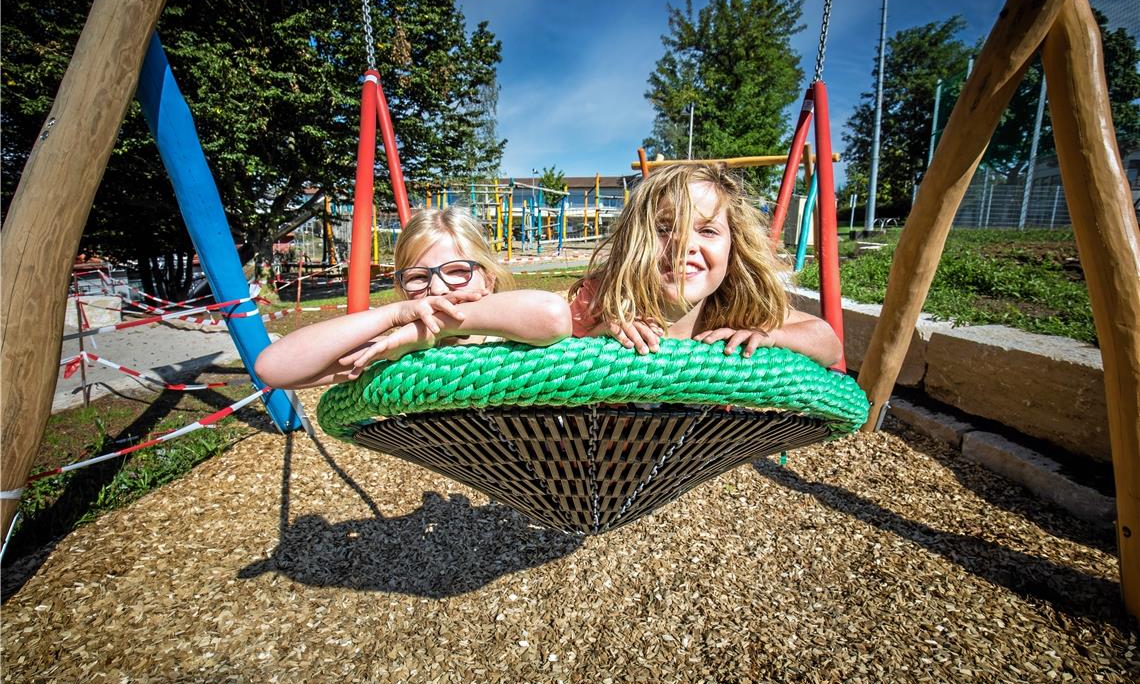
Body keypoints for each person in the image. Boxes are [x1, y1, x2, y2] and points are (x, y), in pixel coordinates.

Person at [255, 207, 572, 389]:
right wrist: (391, 316)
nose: (437, 289)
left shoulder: (509, 332)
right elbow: (274, 368)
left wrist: (442, 326)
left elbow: (551, 315)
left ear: (487, 279)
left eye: (457, 270)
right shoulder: (402, 347)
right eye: (419, 277)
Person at [568, 163, 843, 368]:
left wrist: (771, 336)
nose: (684, 245)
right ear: (633, 240)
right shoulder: (605, 299)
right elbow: (540, 345)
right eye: (663, 229)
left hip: (704, 444)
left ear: (734, 246)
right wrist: (597, 335)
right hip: (601, 444)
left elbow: (830, 345)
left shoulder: (736, 309)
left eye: (708, 231)